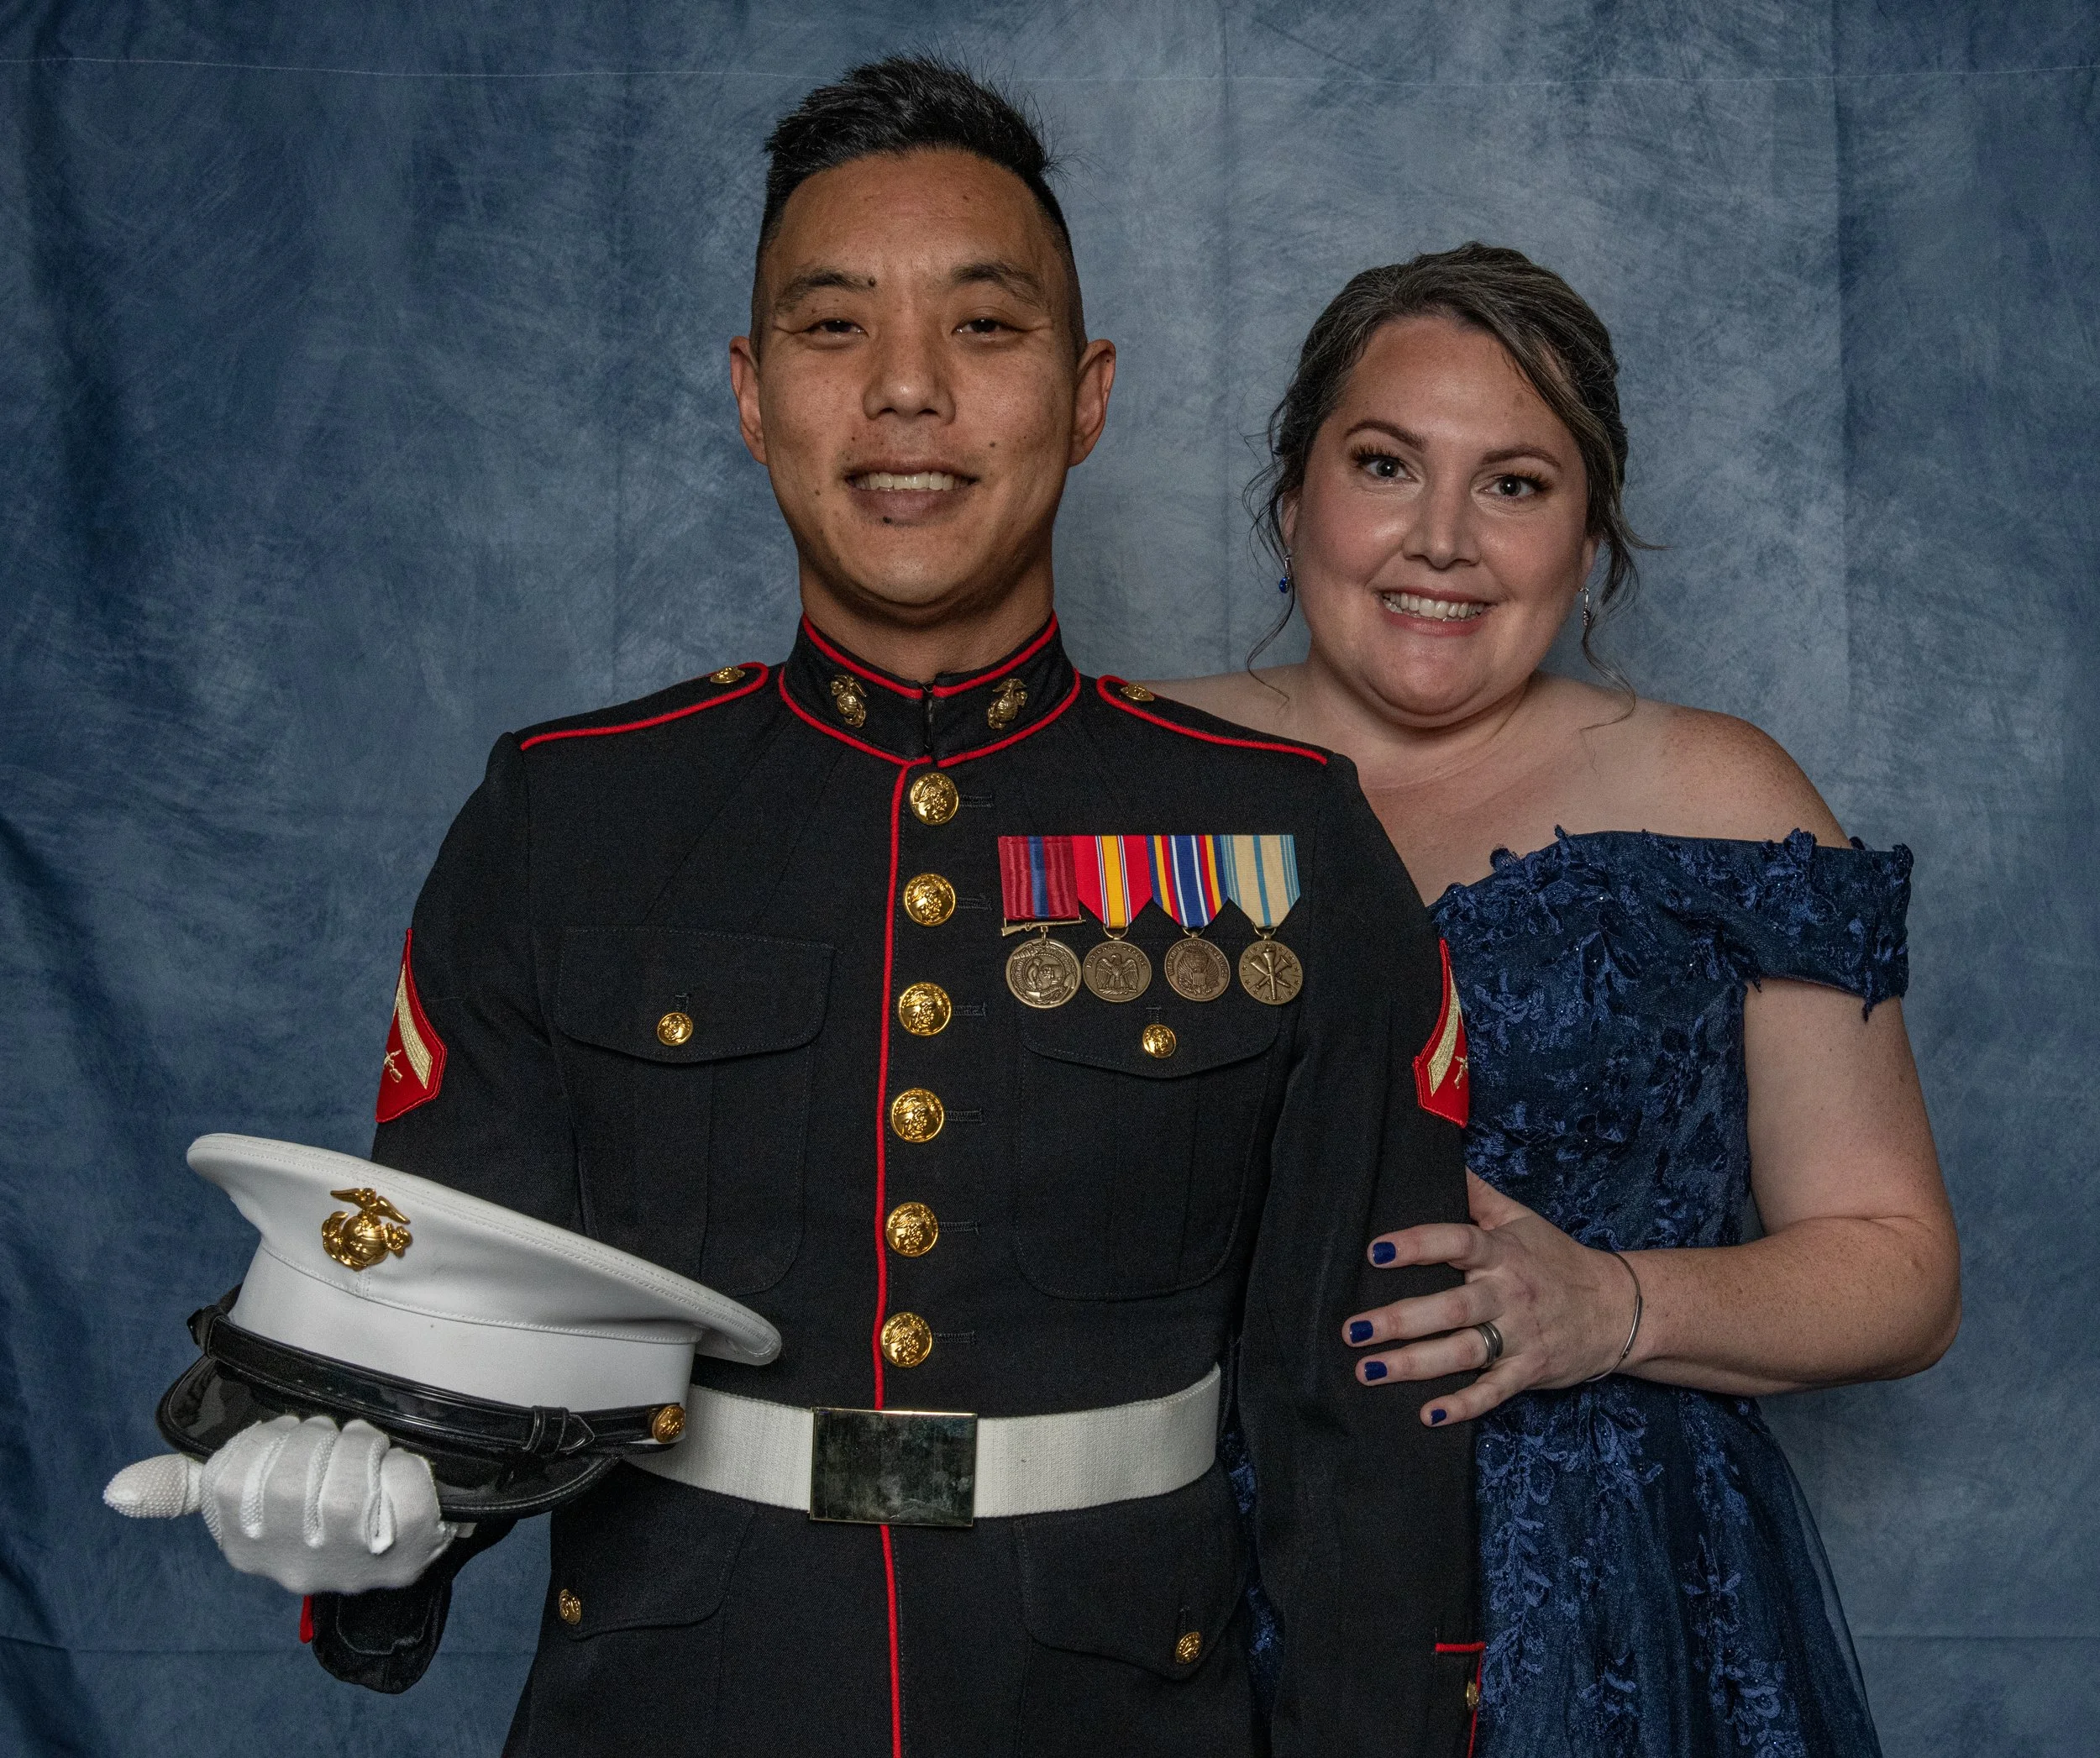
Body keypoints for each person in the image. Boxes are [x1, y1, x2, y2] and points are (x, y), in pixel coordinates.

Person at [119, 61, 1486, 1757]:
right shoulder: (568, 822)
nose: (905, 392)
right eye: (832, 329)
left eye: (984, 328)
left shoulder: (1277, 840)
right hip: (673, 1701)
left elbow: (1361, 1418)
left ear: (1085, 393)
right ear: (752, 395)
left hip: (1119, 1707)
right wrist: (366, 1540)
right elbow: (432, 1304)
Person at [1157, 244, 1960, 1756]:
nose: (1441, 539)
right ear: (1293, 499)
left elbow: (1903, 1269)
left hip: (1611, 1594)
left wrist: (1617, 1302)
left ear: (1589, 546)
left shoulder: (1726, 798)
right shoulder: (1130, 769)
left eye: (1516, 484)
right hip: (1195, 1576)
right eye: (1386, 463)